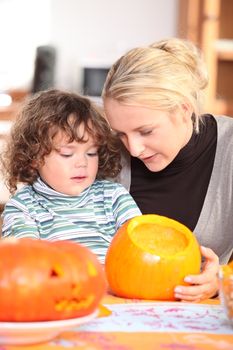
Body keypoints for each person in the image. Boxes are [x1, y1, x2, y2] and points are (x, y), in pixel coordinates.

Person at [102, 37, 233, 301]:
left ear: (184, 109)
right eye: (121, 134)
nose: (134, 149)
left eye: (145, 131)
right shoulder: (106, 152)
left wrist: (223, 279)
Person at [1, 89, 141, 263]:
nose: (82, 163)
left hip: (115, 287)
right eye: (67, 154)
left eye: (91, 153)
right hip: (57, 287)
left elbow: (140, 245)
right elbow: (27, 262)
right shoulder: (23, 207)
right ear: (34, 158)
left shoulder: (114, 196)